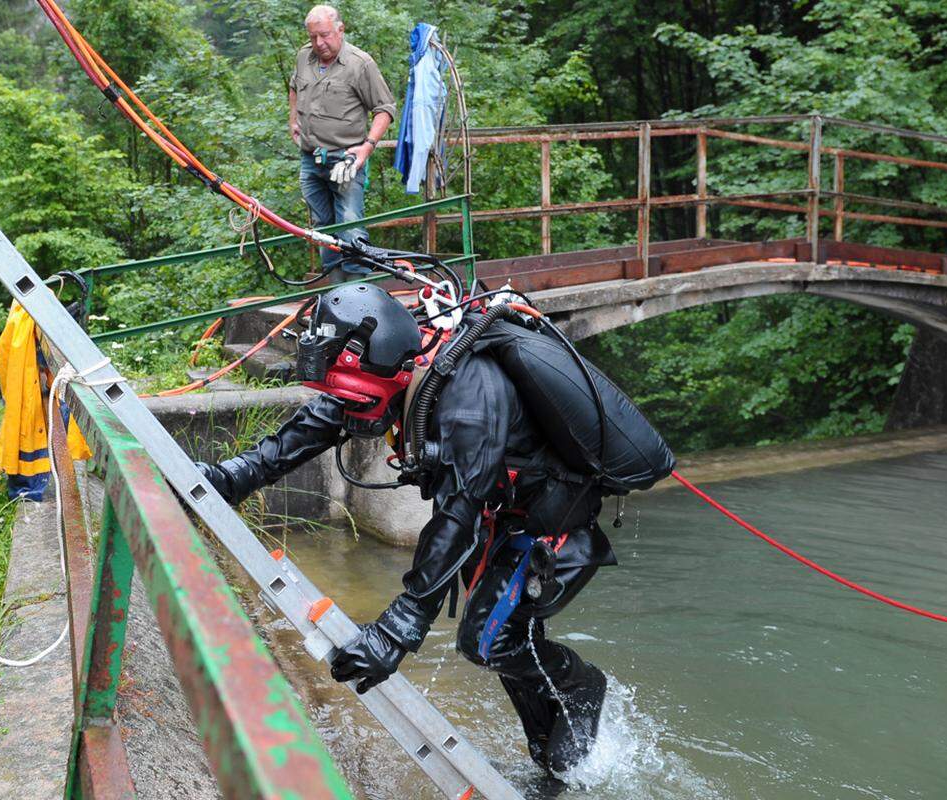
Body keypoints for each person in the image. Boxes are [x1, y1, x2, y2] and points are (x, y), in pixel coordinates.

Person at [196, 284, 673, 776]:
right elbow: (323, 417)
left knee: (488, 641)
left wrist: (396, 630)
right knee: (508, 640)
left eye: (358, 402)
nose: (352, 412)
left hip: (549, 528)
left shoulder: (469, 400)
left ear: (387, 368)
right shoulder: (391, 364)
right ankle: (551, 766)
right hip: (502, 516)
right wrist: (234, 477)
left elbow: (456, 517)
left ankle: (581, 686)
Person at [290, 5, 397, 282]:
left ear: (340, 29)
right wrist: (293, 120)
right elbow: (293, 86)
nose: (319, 43)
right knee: (322, 230)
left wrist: (367, 146)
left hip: (346, 158)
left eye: (324, 35)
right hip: (310, 158)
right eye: (313, 37)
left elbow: (384, 108)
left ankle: (359, 295)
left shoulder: (360, 64)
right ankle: (335, 294)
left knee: (351, 227)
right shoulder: (304, 56)